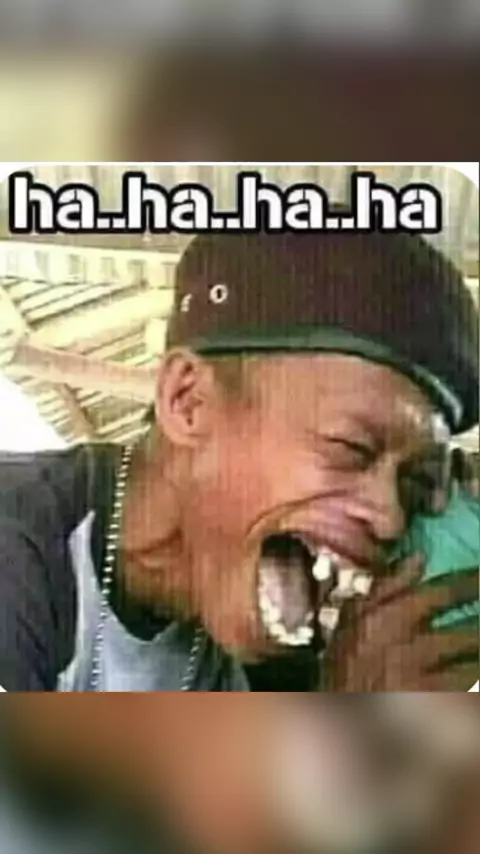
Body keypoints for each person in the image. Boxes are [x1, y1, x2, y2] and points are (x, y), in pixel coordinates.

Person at [0, 228, 478, 692]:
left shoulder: (285, 649)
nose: (390, 519)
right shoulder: (18, 548)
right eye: (350, 447)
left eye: (417, 482)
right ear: (188, 401)